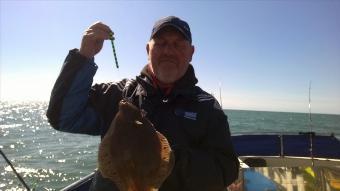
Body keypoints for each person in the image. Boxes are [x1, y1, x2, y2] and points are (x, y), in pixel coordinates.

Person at [47, 16, 239, 191]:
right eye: (161, 43)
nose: (168, 51)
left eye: (178, 44)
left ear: (191, 52)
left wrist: (167, 160)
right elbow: (63, 117)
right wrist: (84, 57)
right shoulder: (119, 94)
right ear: (148, 50)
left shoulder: (207, 106)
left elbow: (226, 169)